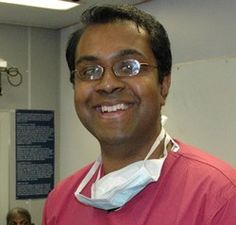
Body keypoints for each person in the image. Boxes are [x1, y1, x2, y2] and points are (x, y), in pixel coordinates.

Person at [42, 4, 236, 225]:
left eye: (128, 67)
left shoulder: (219, 196)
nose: (107, 85)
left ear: (163, 84)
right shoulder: (60, 202)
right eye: (90, 71)